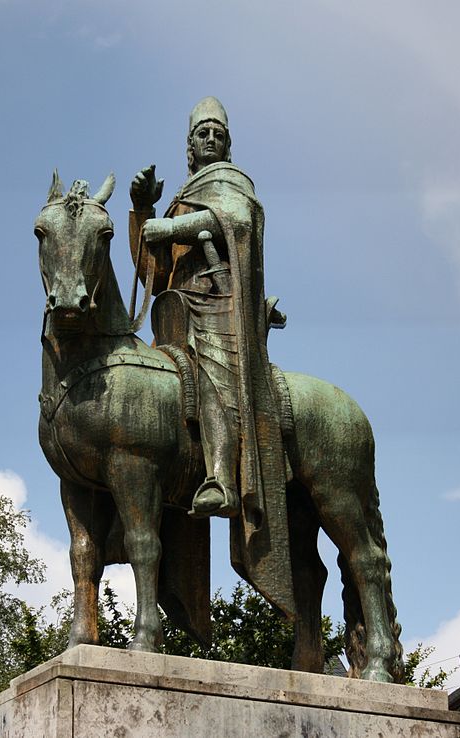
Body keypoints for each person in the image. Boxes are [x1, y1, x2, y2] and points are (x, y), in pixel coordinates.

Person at [129, 97, 286, 534]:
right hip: (175, 309)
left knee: (210, 371)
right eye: (204, 133)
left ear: (228, 144)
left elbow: (234, 220)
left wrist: (168, 227)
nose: (211, 139)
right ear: (190, 146)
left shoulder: (231, 180)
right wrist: (142, 210)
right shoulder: (182, 198)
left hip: (218, 302)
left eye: (219, 133)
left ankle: (221, 479)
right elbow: (152, 273)